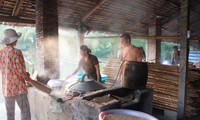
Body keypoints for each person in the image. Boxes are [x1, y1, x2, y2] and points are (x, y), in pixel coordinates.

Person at [0, 28, 31, 120]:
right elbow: (20, 71)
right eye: (16, 39)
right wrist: (27, 77)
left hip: (7, 88)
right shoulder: (17, 52)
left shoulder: (1, 52)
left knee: (10, 114)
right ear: (14, 41)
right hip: (18, 88)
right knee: (25, 110)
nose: (17, 40)